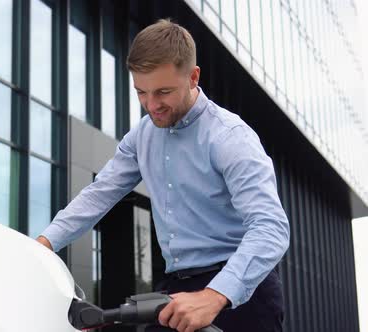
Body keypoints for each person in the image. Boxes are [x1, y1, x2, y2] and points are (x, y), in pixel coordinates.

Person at [37, 19, 289, 332]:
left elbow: (271, 227)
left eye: (163, 92)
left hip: (241, 296)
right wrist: (41, 246)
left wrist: (215, 295)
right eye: (141, 92)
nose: (152, 105)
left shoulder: (230, 137)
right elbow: (98, 194)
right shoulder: (141, 137)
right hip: (176, 288)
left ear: (193, 76)